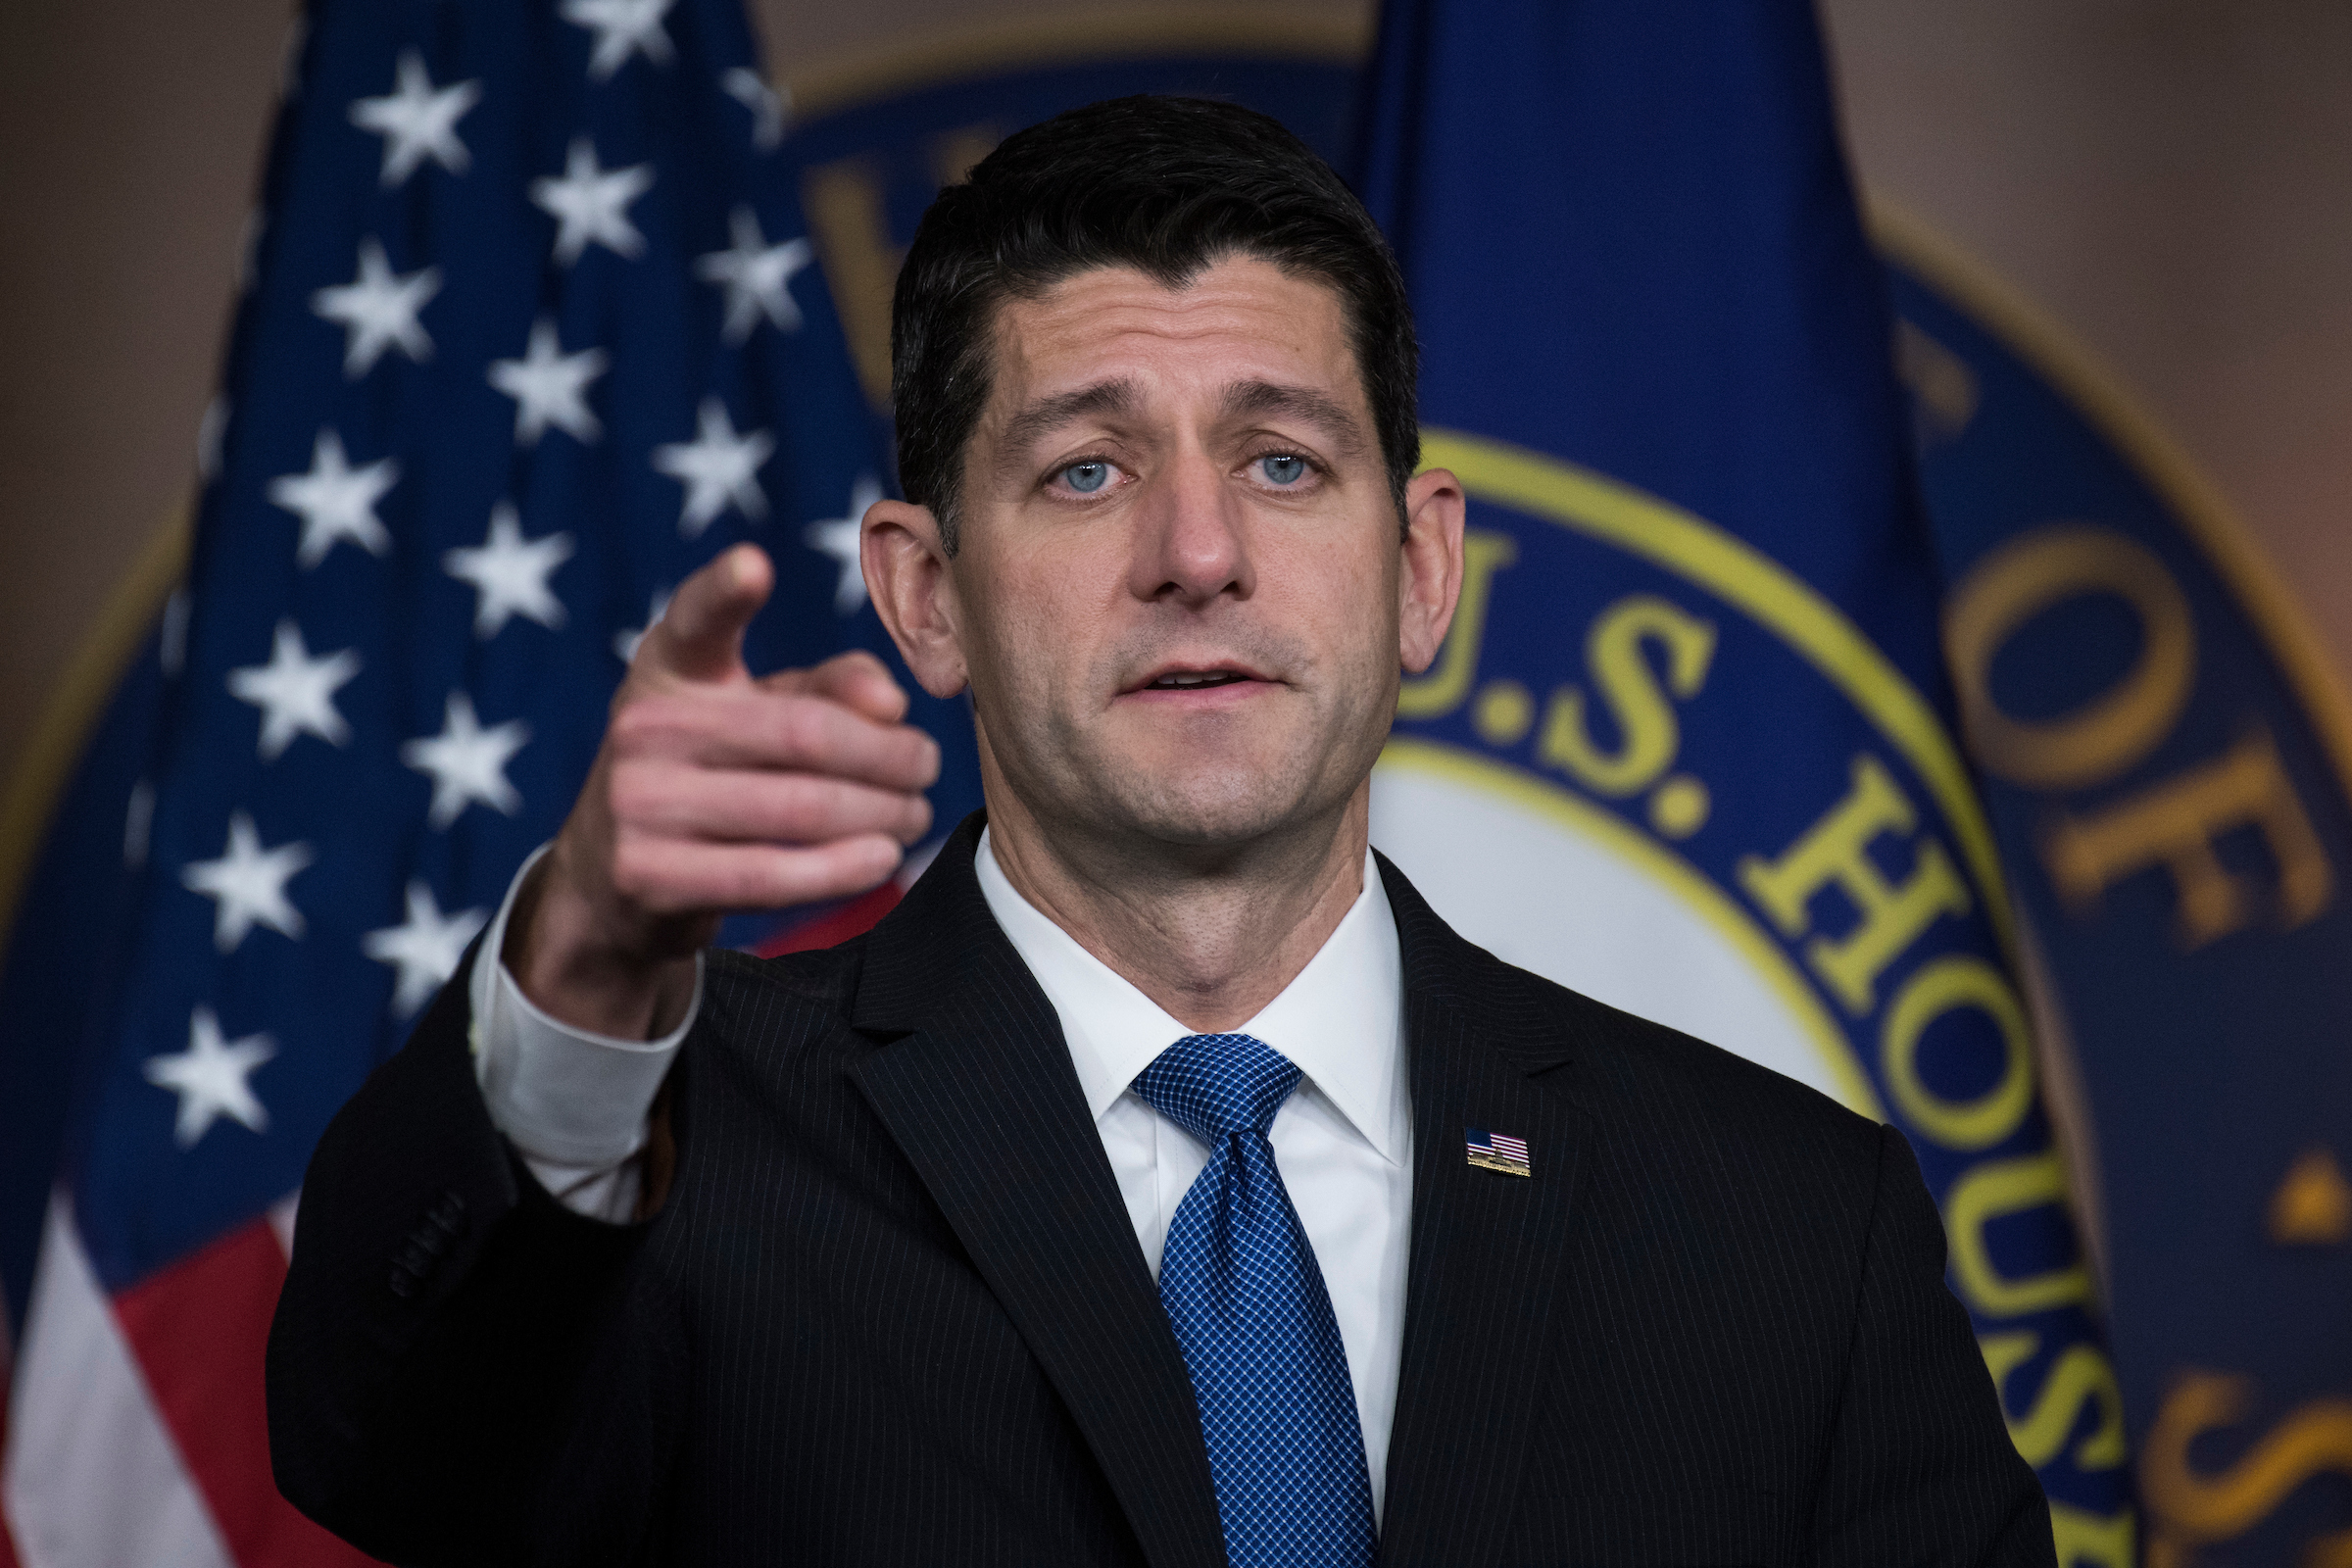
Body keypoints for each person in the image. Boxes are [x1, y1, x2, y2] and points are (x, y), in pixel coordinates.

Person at [268, 95, 2053, 1567]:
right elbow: (388, 1449)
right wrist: (582, 952)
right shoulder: (679, 1163)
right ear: (925, 593)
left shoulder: (1790, 1230)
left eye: (1283, 461)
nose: (1198, 553)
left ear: (1420, 567)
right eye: (1086, 470)